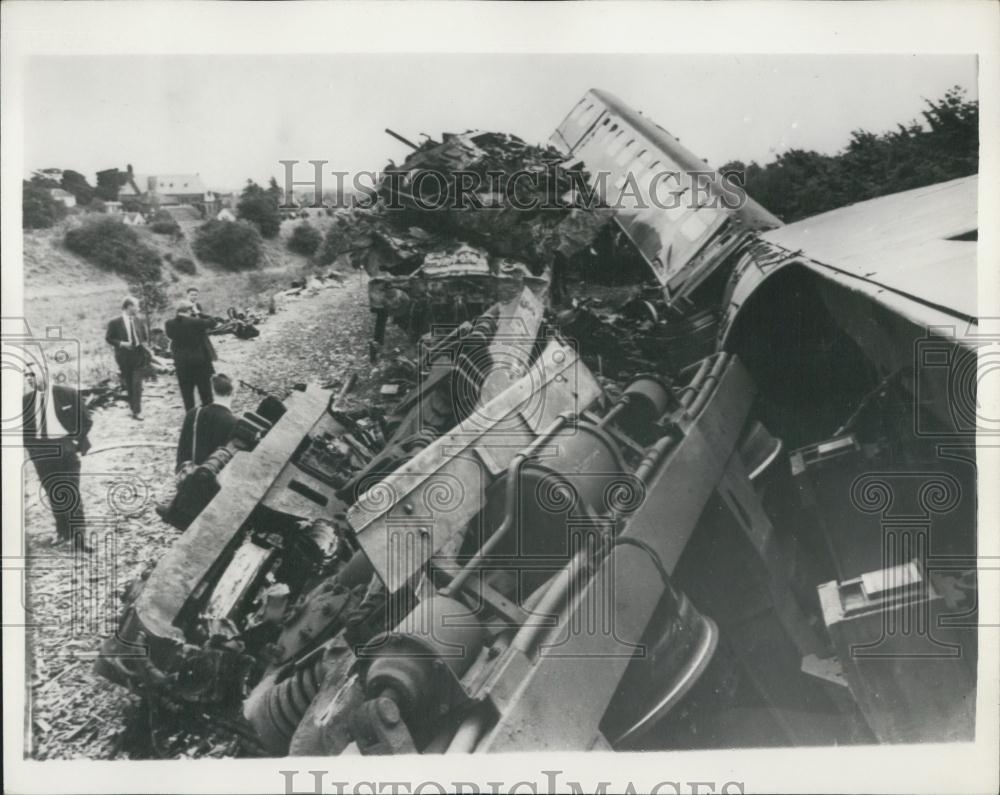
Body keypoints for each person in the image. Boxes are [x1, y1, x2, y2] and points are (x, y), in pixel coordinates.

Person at [22, 364, 93, 552]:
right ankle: (63, 533)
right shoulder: (26, 400)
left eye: (32, 374)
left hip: (65, 447)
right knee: (54, 493)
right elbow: (23, 431)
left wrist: (75, 442)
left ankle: (80, 537)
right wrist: (33, 450)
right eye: (26, 375)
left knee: (71, 491)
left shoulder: (67, 393)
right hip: (41, 452)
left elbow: (85, 420)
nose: (29, 378)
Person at [175, 373, 239, 471]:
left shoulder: (193, 413)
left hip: (191, 477)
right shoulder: (235, 423)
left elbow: (182, 452)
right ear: (234, 393)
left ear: (212, 391)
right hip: (215, 481)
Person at [165, 299, 218, 411]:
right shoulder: (195, 322)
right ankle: (206, 418)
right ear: (189, 310)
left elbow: (170, 336)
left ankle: (190, 417)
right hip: (200, 363)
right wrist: (198, 313)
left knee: (187, 395)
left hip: (181, 364)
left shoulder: (169, 324)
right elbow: (213, 322)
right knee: (206, 394)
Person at [105, 295, 149, 421]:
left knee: (137, 384)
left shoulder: (139, 320)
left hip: (138, 355)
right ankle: (133, 408)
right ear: (128, 306)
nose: (138, 308)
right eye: (136, 306)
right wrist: (122, 344)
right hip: (124, 357)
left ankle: (137, 411)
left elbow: (144, 337)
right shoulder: (115, 322)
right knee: (129, 384)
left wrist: (144, 348)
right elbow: (109, 338)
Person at [186, 286, 218, 362]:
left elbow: (201, 315)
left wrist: (198, 312)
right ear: (187, 295)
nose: (194, 297)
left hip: (200, 328)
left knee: (204, 346)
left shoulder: (197, 305)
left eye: (195, 295)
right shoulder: (184, 305)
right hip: (190, 330)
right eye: (192, 295)